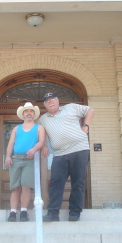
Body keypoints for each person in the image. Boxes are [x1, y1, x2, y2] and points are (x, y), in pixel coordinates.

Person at [39, 92, 94, 222]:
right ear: (45, 105)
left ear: (58, 101)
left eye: (53, 100)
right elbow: (40, 133)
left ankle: (74, 213)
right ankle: (52, 213)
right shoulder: (43, 119)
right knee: (55, 183)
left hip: (79, 150)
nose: (50, 103)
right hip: (59, 154)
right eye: (47, 102)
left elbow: (90, 110)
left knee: (78, 183)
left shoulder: (71, 107)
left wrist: (85, 126)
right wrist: (44, 146)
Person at [5, 102, 45, 222]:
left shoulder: (39, 128)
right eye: (26, 111)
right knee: (15, 187)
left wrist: (33, 150)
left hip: (30, 160)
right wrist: (8, 156)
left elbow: (41, 141)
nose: (29, 113)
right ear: (23, 114)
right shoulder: (16, 128)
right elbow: (11, 143)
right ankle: (12, 212)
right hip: (16, 159)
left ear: (34, 114)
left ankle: (23, 212)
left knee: (26, 187)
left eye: (31, 111)